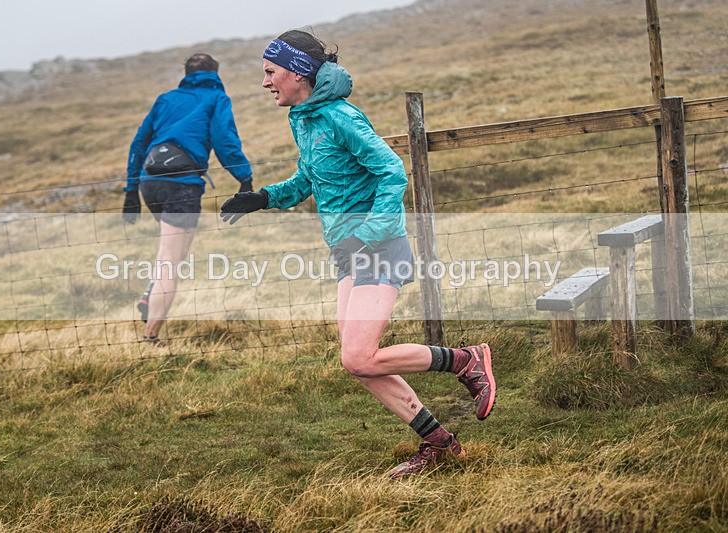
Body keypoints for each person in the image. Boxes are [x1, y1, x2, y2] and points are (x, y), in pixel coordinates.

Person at [220, 30, 496, 478]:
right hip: (349, 252)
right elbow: (309, 180)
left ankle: (465, 360)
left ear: (297, 72)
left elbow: (392, 173)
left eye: (270, 73)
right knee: (359, 362)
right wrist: (264, 198)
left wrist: (370, 232)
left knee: (358, 357)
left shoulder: (341, 116)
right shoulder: (304, 119)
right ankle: (439, 443)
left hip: (378, 247)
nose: (265, 83)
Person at [122, 53, 253, 346]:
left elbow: (139, 142)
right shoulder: (216, 99)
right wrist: (244, 178)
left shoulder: (166, 99)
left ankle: (148, 298)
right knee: (169, 260)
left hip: (150, 183)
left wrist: (131, 190)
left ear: (186, 72)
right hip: (181, 185)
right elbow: (225, 141)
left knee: (173, 255)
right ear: (215, 73)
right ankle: (150, 337)